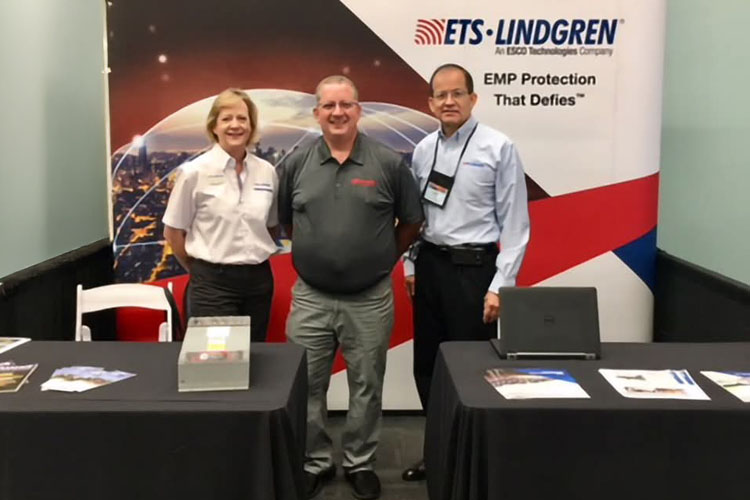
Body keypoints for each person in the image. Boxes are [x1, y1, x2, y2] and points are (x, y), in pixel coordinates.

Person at [279, 75, 423, 499]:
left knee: (367, 385)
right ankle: (315, 461)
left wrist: (378, 258)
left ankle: (361, 462)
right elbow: (286, 221)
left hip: (370, 298)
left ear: (359, 110)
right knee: (306, 386)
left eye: (346, 105)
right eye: (329, 105)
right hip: (311, 297)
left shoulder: (388, 163)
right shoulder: (296, 163)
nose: (338, 112)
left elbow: (411, 222)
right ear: (316, 113)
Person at [402, 63, 531, 481]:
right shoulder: (424, 150)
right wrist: (410, 263)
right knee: (428, 366)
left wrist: (500, 286)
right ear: (430, 103)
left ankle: (472, 458)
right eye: (441, 95)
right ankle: (438, 450)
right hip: (430, 268)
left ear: (473, 99)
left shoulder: (498, 147)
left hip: (474, 272)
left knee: (473, 370)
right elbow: (417, 216)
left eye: (457, 93)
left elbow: (516, 225)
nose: (449, 101)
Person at [163, 88, 279, 342]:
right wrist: (200, 268)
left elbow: (271, 227)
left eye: (242, 118)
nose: (235, 125)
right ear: (214, 126)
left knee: (255, 355)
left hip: (258, 282)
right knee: (216, 359)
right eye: (226, 119)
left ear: (251, 125)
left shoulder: (267, 172)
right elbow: (173, 232)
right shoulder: (195, 172)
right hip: (212, 285)